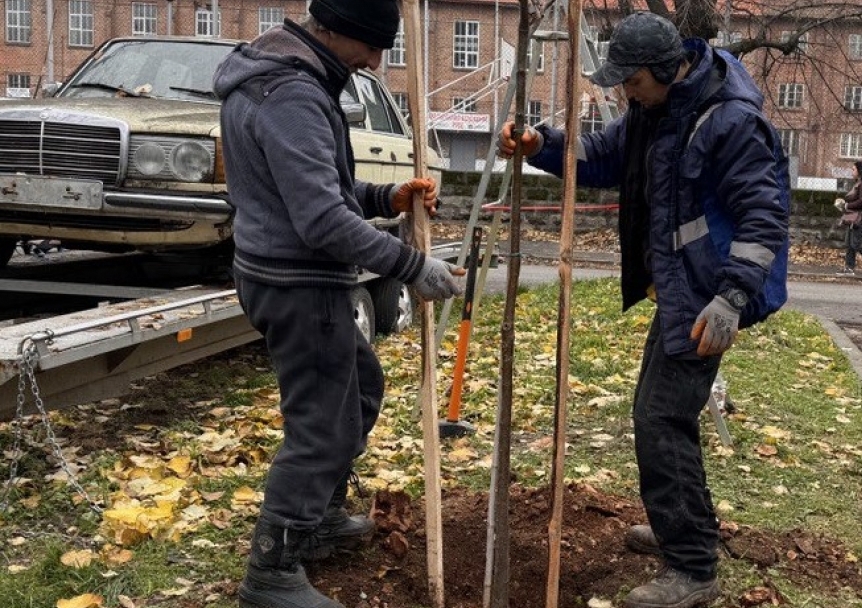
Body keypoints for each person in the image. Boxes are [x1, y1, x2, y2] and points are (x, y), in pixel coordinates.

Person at [498, 12, 788, 608]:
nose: (622, 90)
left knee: (662, 419)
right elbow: (600, 157)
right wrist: (541, 145)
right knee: (655, 413)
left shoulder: (729, 121)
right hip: (683, 292)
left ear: (663, 70)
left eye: (630, 80)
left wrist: (732, 298)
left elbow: (765, 218)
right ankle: (677, 530)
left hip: (709, 297)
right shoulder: (656, 112)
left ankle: (692, 566)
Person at [212, 2, 464, 607]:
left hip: (288, 275)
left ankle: (318, 516)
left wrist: (385, 194)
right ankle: (271, 573)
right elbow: (322, 219)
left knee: (360, 388)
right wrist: (411, 267)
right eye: (372, 45)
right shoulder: (291, 95)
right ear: (332, 29)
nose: (375, 61)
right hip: (300, 285)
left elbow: (317, 184)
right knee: (323, 428)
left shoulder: (285, 77)